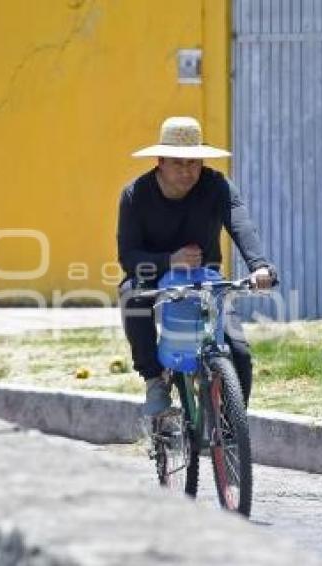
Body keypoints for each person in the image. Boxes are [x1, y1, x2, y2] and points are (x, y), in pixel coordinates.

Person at [117, 116, 276, 417]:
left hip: (204, 281)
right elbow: (128, 257)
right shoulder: (134, 196)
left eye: (194, 162)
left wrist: (260, 266)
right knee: (131, 295)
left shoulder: (217, 187)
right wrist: (170, 260)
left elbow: (241, 225)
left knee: (238, 351)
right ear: (160, 161)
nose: (187, 171)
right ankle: (155, 382)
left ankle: (231, 429)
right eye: (178, 163)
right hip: (152, 277)